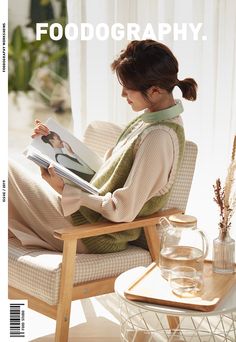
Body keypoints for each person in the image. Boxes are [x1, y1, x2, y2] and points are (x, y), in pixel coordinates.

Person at [9, 39, 197, 254]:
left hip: (92, 232)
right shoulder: (149, 120)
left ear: (154, 91)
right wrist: (55, 143)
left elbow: (122, 209)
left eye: (128, 89)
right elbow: (103, 171)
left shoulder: (160, 137)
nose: (123, 95)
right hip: (83, 216)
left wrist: (66, 190)